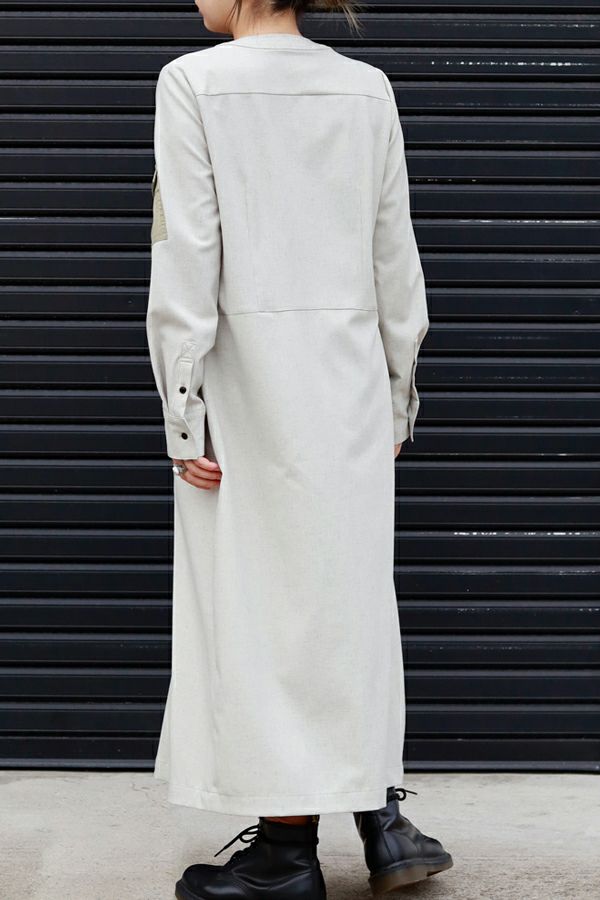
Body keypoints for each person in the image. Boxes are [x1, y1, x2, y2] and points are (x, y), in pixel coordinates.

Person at [146, 0, 453, 896]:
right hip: (348, 382)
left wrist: (183, 406)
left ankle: (286, 856)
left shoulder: (192, 82)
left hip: (246, 388)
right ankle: (381, 817)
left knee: (255, 610)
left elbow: (187, 253)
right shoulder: (366, 88)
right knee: (348, 601)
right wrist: (395, 398)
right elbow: (395, 257)